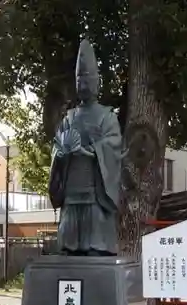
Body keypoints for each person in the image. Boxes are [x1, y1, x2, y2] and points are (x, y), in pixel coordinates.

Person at [48, 39, 123, 256]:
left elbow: (114, 144)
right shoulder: (68, 118)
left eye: (88, 81)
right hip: (72, 186)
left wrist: (93, 150)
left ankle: (96, 246)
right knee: (69, 236)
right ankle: (71, 246)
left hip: (95, 186)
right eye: (80, 81)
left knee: (95, 234)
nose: (84, 86)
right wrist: (62, 153)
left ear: (98, 84)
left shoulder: (107, 116)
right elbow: (57, 146)